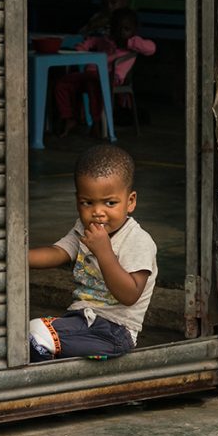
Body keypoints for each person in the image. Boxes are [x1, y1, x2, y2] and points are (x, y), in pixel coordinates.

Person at [27, 145, 157, 362]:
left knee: (36, 333)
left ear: (130, 201)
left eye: (110, 203)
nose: (97, 212)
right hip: (82, 321)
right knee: (25, 335)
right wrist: (16, 257)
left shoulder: (138, 240)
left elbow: (130, 295)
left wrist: (104, 251)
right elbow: (58, 252)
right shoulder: (83, 229)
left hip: (114, 331)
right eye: (87, 203)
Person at [54, 8, 156, 138]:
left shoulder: (134, 43)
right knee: (63, 83)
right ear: (112, 28)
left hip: (112, 78)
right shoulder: (105, 40)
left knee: (93, 82)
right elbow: (90, 41)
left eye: (126, 29)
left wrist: (129, 42)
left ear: (134, 30)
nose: (122, 32)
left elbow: (151, 48)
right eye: (118, 28)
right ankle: (68, 117)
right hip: (91, 74)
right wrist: (81, 48)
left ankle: (96, 123)